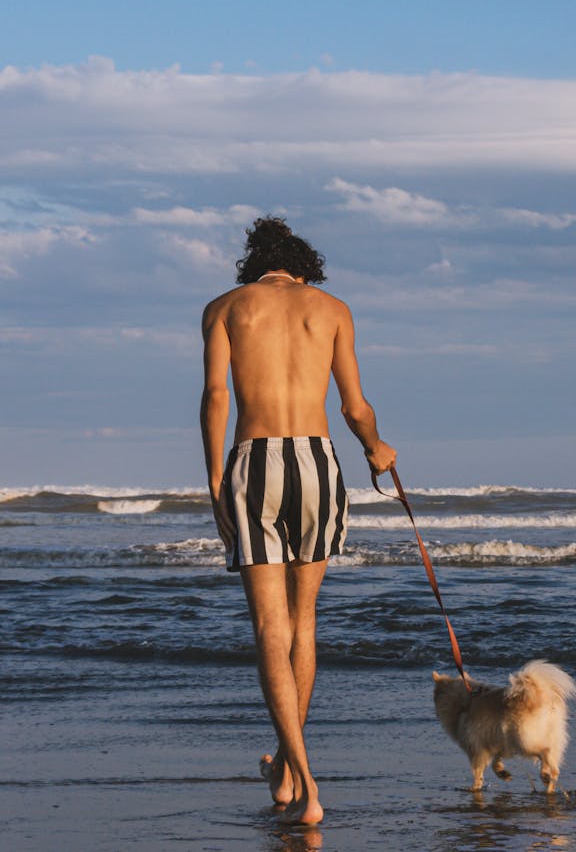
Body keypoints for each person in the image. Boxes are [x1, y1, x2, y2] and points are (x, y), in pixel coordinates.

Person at [200, 216, 396, 825]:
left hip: (254, 460)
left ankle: (304, 783)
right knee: (304, 622)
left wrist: (214, 478)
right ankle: (287, 769)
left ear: (254, 266)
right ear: (303, 269)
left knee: (269, 627)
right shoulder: (332, 307)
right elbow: (354, 406)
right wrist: (377, 448)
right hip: (316, 460)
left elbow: (215, 396)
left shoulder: (226, 307)